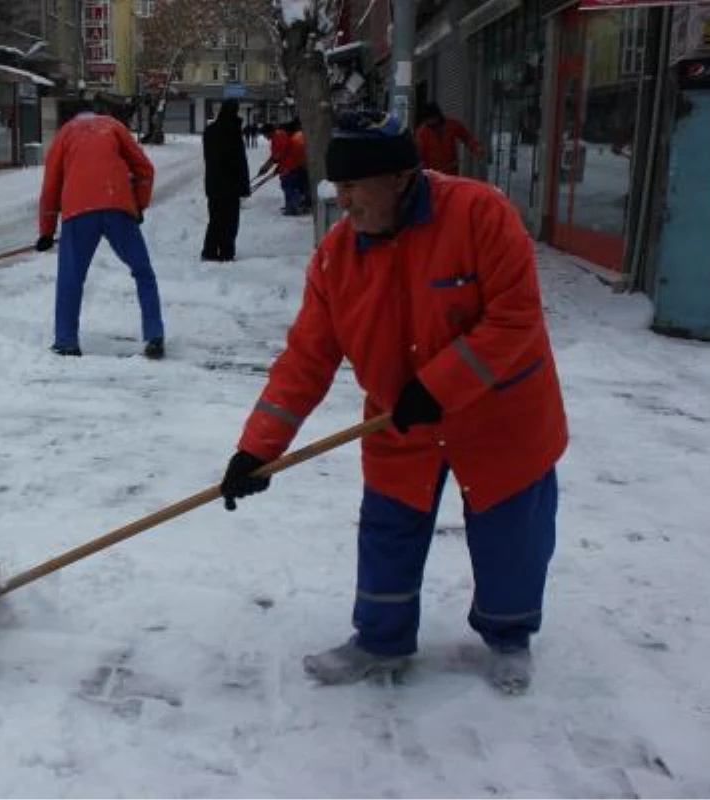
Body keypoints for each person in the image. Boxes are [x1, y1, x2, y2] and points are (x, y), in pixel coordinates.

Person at [218, 110, 568, 695]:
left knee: (512, 535)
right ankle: (381, 640)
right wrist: (255, 451)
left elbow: (515, 320)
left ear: (402, 178)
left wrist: (440, 385)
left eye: (355, 186)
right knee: (388, 528)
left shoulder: (482, 215)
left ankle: (509, 637)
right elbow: (306, 361)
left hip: (502, 415)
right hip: (399, 417)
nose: (343, 199)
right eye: (339, 185)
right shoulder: (336, 258)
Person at [37, 100, 166, 360]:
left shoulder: (65, 134)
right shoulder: (114, 127)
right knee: (143, 272)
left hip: (78, 210)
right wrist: (139, 204)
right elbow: (145, 169)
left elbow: (51, 185)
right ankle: (154, 335)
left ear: (72, 116)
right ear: (98, 113)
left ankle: (66, 341)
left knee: (71, 278)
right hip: (117, 204)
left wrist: (46, 231)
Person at [202, 99, 251, 262]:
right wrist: (244, 186)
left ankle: (209, 251)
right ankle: (226, 251)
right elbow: (239, 160)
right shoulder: (233, 131)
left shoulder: (210, 131)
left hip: (213, 183)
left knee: (215, 218)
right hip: (230, 185)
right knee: (230, 220)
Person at [415, 102, 483, 176]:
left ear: (438, 115)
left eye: (432, 118)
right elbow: (419, 154)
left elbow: (467, 137)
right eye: (428, 119)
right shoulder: (422, 132)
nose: (430, 121)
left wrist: (476, 147)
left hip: (451, 171)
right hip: (432, 174)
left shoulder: (451, 125)